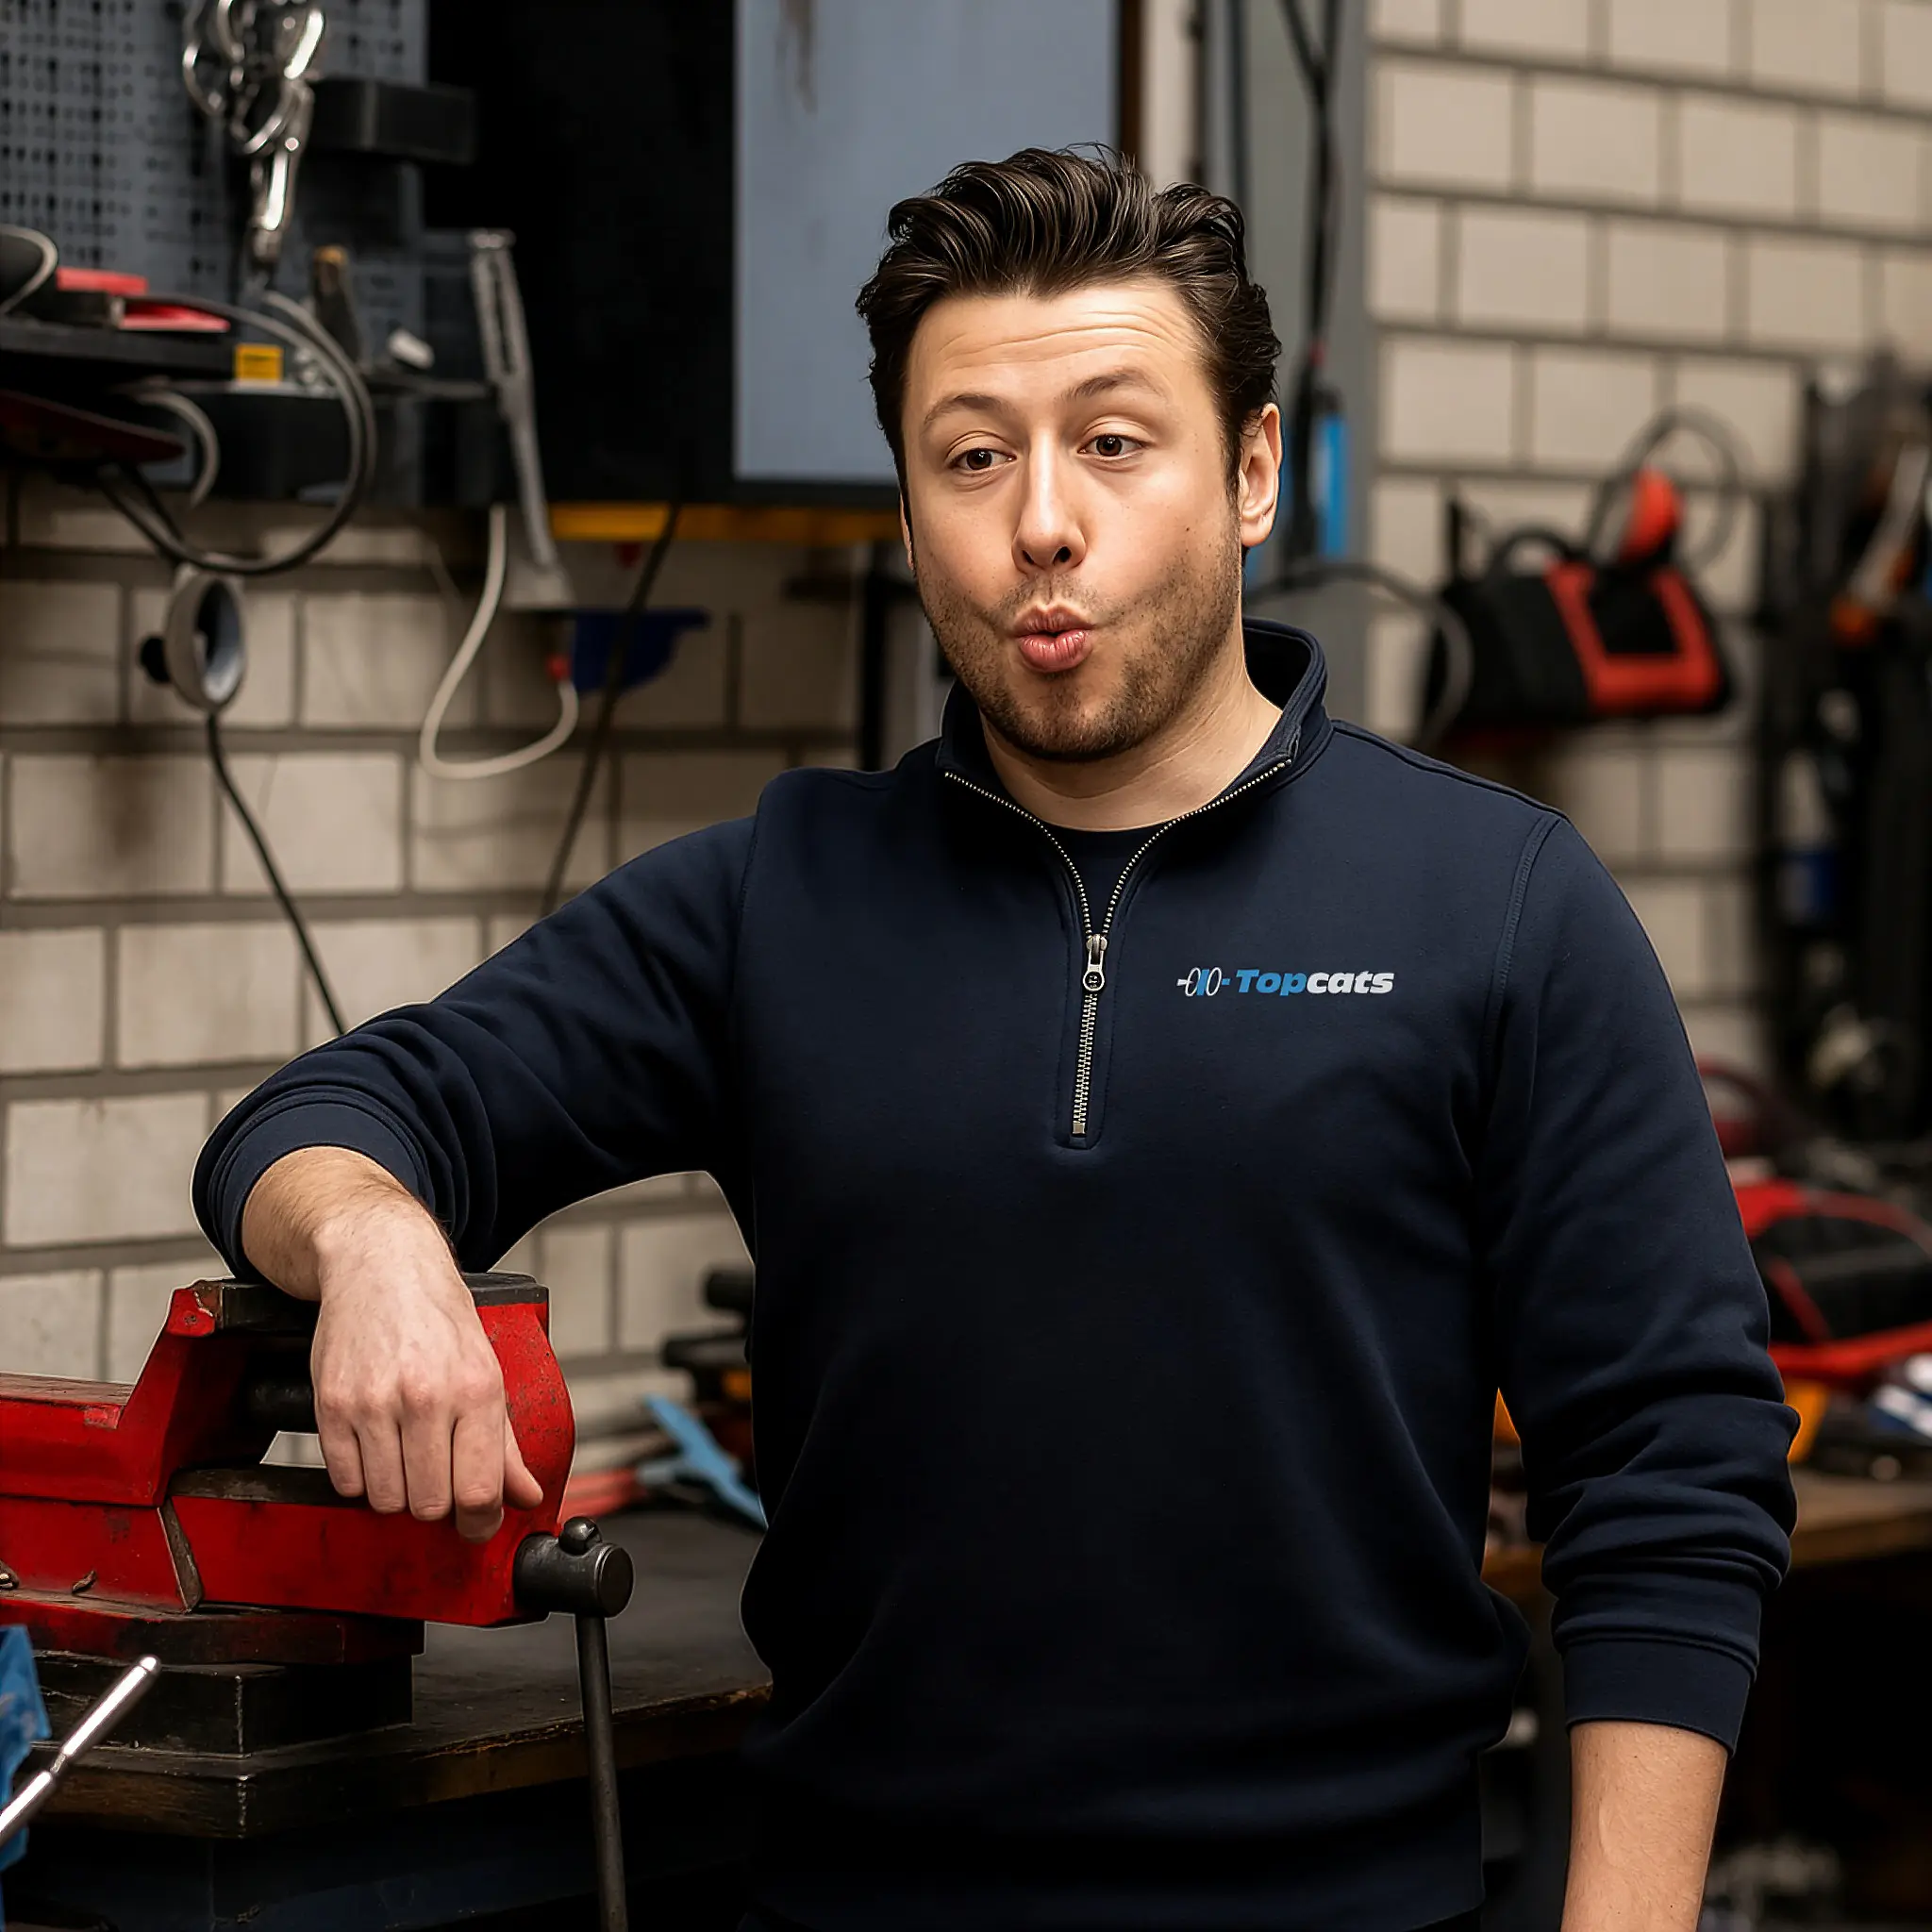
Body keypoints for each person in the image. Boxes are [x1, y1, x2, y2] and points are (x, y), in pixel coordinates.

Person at [194, 149, 1796, 1931]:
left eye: (1114, 441)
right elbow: (323, 1118)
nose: (1042, 521)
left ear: (1251, 472)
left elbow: (1671, 1458)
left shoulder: (1494, 902)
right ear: (910, 512)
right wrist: (375, 1238)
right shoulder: (779, 898)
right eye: (972, 457)